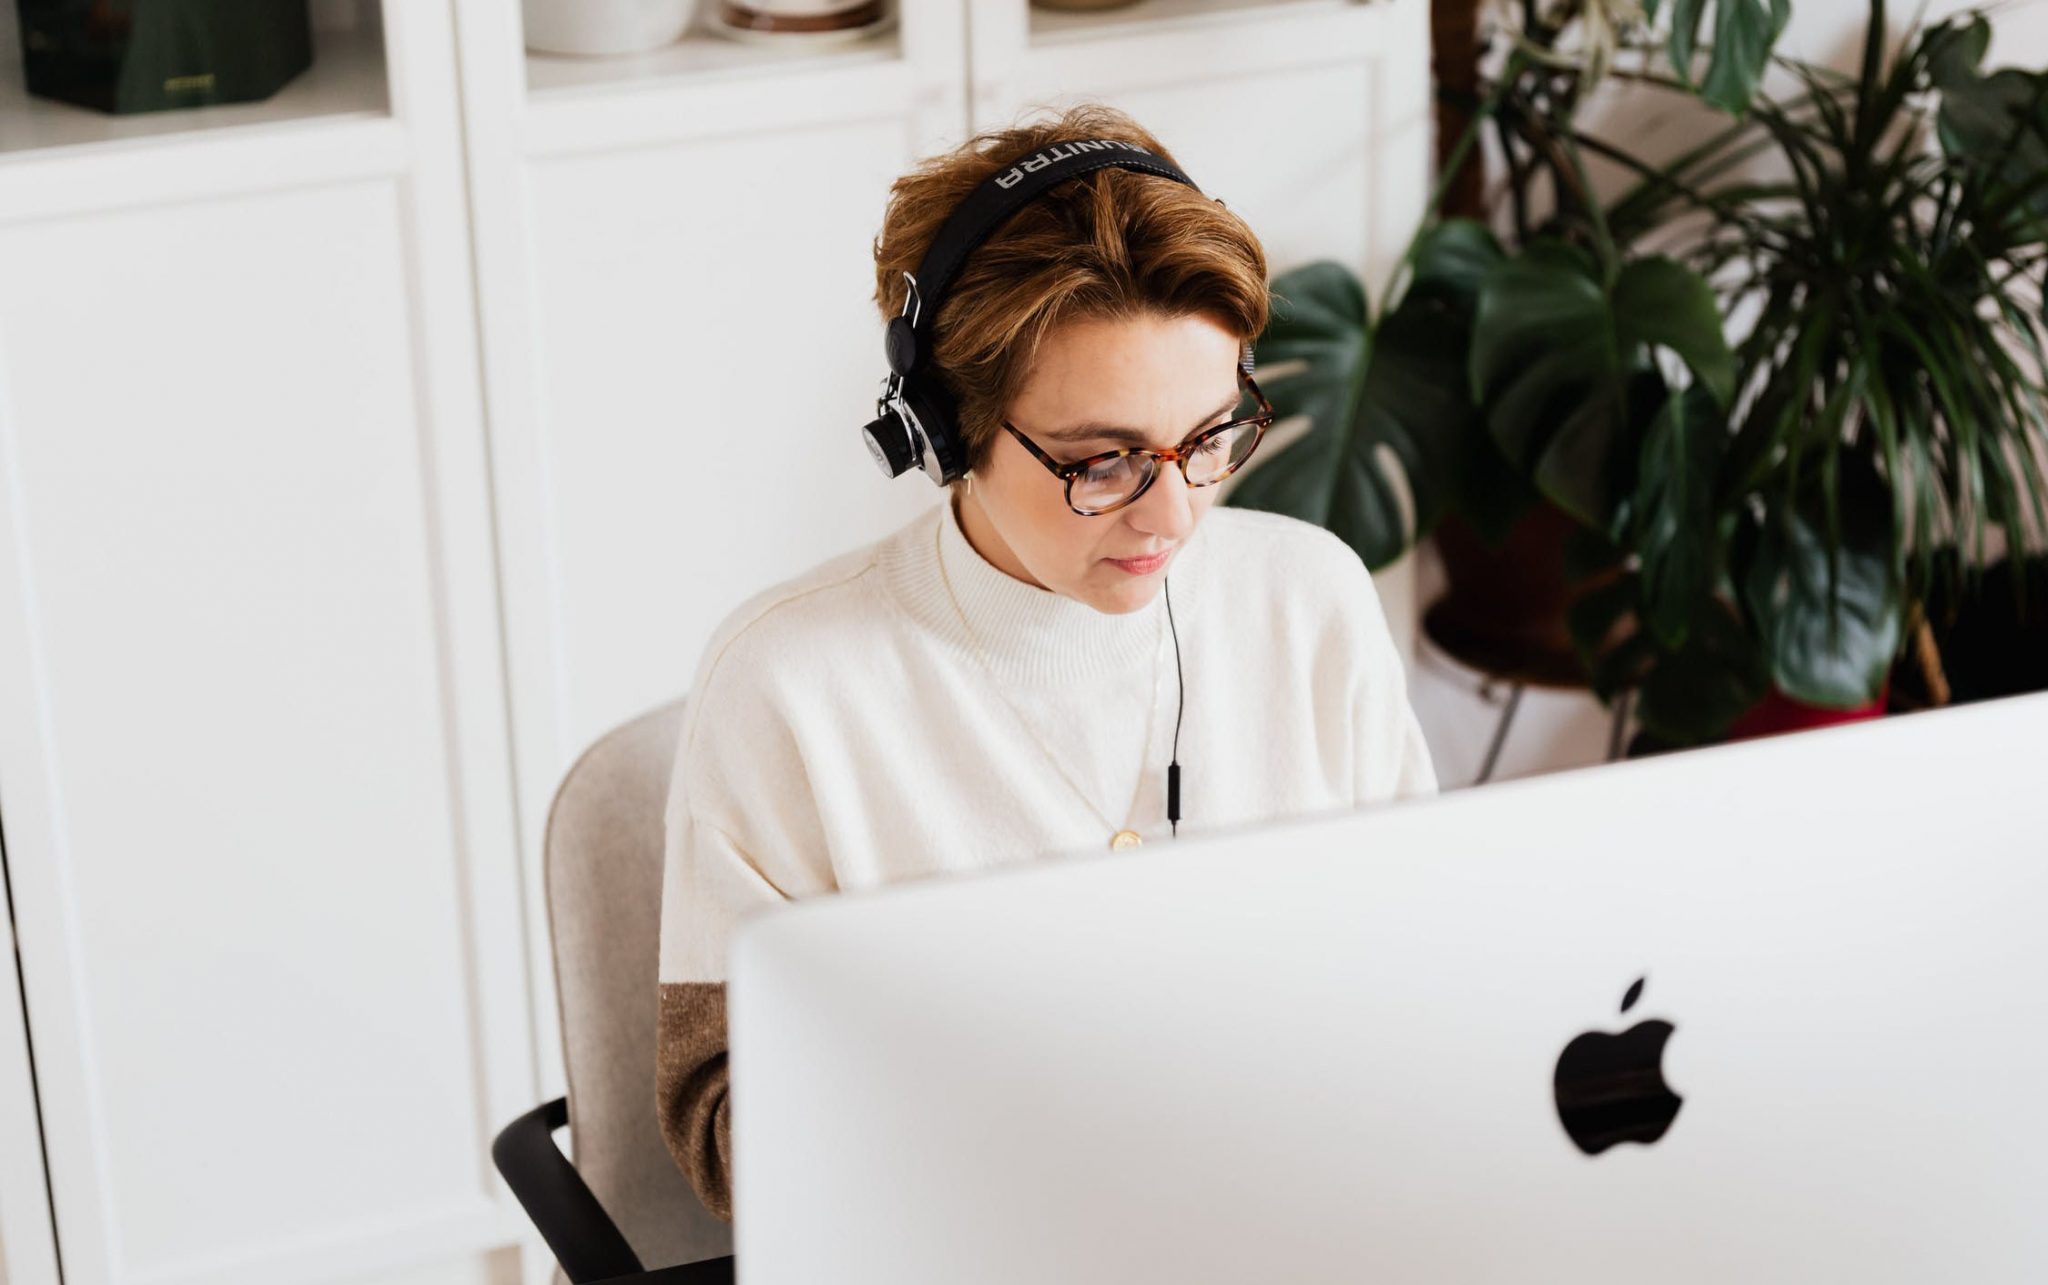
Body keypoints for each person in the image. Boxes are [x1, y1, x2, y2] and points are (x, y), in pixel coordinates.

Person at [655, 103, 1439, 1223]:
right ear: (947, 430)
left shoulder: (1309, 600)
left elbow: (1425, 964)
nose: (1173, 513)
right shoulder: (789, 686)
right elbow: (724, 1128)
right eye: (1102, 460)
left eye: (1209, 436)